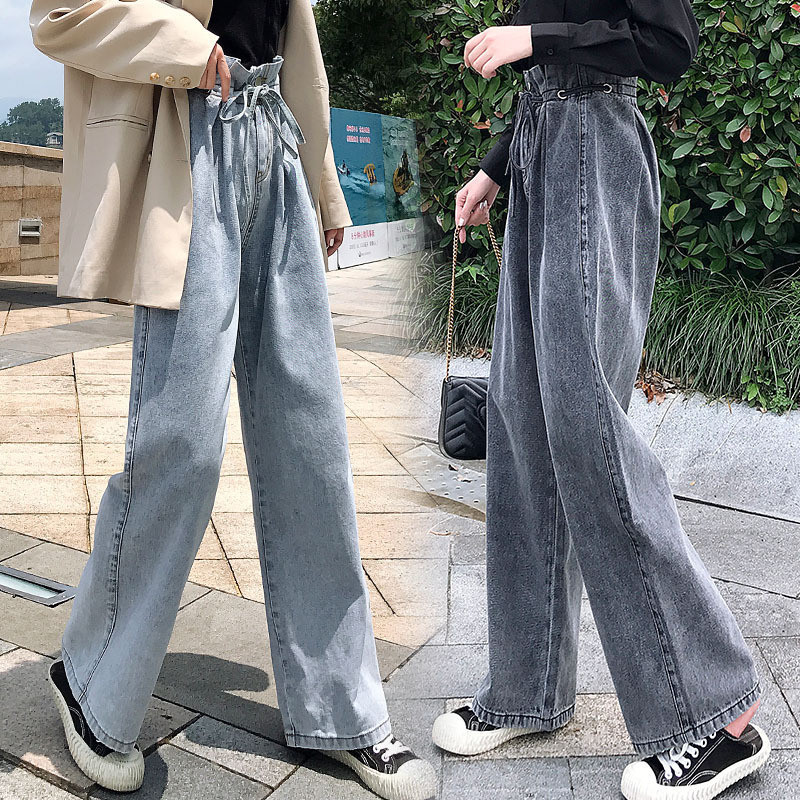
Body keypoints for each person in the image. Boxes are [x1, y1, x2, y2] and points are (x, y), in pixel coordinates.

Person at [28, 1, 436, 798]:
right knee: (181, 446)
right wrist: (188, 45)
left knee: (311, 441)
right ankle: (90, 680)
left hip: (273, 141)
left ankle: (343, 708)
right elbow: (58, 14)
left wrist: (323, 185)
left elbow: (295, 37)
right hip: (187, 146)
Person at [430, 2, 771, 798]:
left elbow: (668, 44)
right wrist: (495, 166)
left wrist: (531, 38)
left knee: (588, 431)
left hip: (594, 153)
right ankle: (528, 688)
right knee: (522, 426)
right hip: (542, 150)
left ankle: (716, 716)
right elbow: (551, 64)